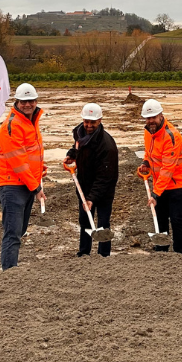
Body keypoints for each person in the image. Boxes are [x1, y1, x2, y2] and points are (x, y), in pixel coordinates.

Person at [0, 83, 47, 270]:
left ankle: (11, 270)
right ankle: (9, 273)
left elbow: (29, 153)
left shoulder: (31, 122)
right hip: (12, 185)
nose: (28, 104)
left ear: (36, 101)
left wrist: (39, 168)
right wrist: (37, 188)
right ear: (17, 101)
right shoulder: (13, 125)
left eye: (31, 101)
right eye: (24, 101)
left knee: (20, 230)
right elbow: (18, 163)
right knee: (13, 233)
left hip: (25, 184)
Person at [64, 103, 119, 257]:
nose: (88, 125)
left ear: (100, 121)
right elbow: (78, 147)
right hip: (84, 185)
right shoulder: (80, 134)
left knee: (102, 222)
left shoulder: (107, 146)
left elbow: (105, 177)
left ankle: (104, 254)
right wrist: (71, 155)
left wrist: (92, 198)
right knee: (85, 220)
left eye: (92, 122)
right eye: (86, 121)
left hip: (104, 189)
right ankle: (84, 252)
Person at [139, 99, 182, 254]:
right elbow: (149, 152)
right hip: (160, 183)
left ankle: (180, 253)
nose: (151, 121)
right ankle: (162, 249)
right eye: (148, 118)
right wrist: (145, 162)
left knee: (176, 219)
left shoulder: (171, 136)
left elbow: (168, 168)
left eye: (153, 117)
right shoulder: (149, 132)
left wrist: (156, 194)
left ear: (161, 115)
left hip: (177, 184)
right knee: (160, 218)